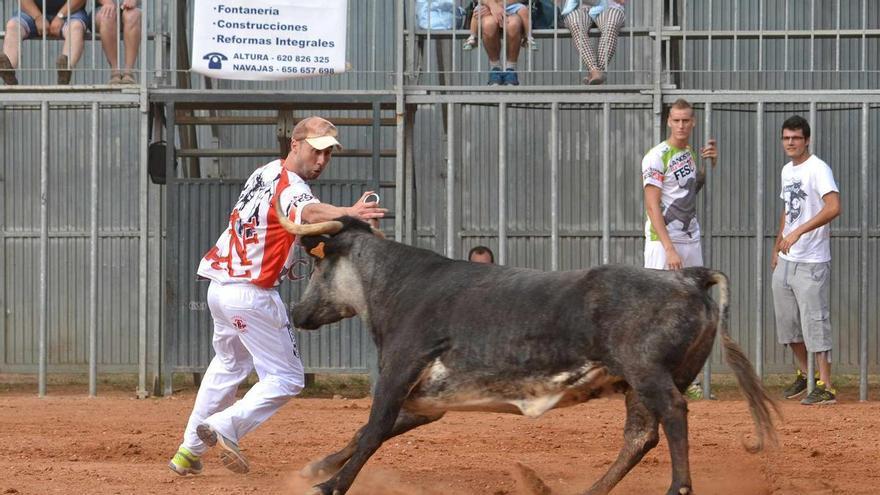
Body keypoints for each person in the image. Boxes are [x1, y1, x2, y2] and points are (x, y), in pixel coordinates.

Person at [168, 117, 387, 476]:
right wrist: (349, 213)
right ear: (295, 144)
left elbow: (287, 222)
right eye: (316, 151)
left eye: (328, 155)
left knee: (227, 366)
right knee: (287, 378)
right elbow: (307, 210)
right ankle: (226, 426)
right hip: (252, 295)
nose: (321, 161)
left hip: (220, 288)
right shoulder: (292, 186)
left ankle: (188, 452)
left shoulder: (264, 172)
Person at [642, 98, 717, 400]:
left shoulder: (687, 153)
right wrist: (669, 248)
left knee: (693, 308)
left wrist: (709, 166)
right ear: (668, 122)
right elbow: (652, 204)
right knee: (658, 308)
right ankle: (653, 377)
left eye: (686, 120)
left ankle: (689, 379)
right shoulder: (656, 156)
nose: (682, 125)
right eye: (677, 120)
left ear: (693, 121)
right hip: (665, 242)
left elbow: (687, 193)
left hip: (690, 237)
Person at [771, 115, 840, 406]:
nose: (790, 142)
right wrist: (778, 245)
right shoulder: (788, 170)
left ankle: (826, 385)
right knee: (788, 325)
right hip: (787, 259)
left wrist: (799, 232)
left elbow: (834, 206)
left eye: (796, 138)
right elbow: (789, 209)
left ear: (807, 140)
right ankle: (805, 373)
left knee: (815, 322)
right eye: (786, 138)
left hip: (812, 261)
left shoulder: (818, 169)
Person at [0, 0, 90, 85]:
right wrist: (38, 17)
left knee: (76, 27)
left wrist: (60, 16)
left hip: (70, 11)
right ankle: (8, 70)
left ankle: (65, 69)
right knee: (13, 26)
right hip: (32, 12)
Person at [561, 0, 626, 84]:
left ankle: (595, 72)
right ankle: (595, 71)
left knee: (611, 24)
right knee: (575, 23)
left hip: (610, 7)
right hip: (579, 8)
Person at [474, 0, 528, 85]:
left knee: (513, 25)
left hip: (516, 9)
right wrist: (491, 5)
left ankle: (511, 69)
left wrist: (500, 5)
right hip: (487, 8)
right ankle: (495, 68)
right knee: (488, 25)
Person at [95, 0, 142, 84]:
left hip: (132, 8)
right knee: (107, 16)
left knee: (132, 15)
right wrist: (107, 2)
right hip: (103, 7)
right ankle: (115, 72)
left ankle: (128, 72)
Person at [463, 1, 537, 52]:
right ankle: (472, 37)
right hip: (488, 5)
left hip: (511, 4)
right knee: (477, 11)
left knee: (524, 11)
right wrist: (491, 6)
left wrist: (499, 5)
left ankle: (528, 37)